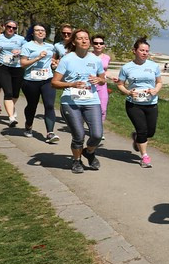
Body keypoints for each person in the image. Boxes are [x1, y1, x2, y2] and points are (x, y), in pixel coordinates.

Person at [51, 29, 106, 173]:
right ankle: (76, 161)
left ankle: (89, 152)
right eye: (80, 38)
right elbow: (54, 83)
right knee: (79, 135)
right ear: (74, 42)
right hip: (70, 101)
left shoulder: (95, 59)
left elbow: (102, 79)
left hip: (91, 100)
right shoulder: (67, 59)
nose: (84, 41)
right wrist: (71, 84)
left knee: (97, 135)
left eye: (86, 38)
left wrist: (98, 79)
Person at [115, 38, 163, 168]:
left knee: (150, 132)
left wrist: (155, 90)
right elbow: (120, 84)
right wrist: (128, 92)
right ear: (134, 51)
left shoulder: (153, 66)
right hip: (134, 104)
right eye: (142, 50)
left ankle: (137, 138)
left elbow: (159, 82)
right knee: (142, 130)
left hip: (151, 103)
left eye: (147, 51)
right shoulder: (126, 67)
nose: (145, 53)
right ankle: (144, 157)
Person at [19, 24, 60, 143]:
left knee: (49, 105)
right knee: (32, 106)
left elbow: (53, 60)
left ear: (46, 33)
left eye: (42, 30)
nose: (40, 32)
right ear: (33, 33)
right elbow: (22, 64)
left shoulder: (50, 46)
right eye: (37, 30)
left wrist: (54, 64)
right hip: (30, 80)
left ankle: (50, 133)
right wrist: (37, 58)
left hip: (47, 79)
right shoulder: (27, 46)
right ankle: (28, 125)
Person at [0, 20, 27, 127]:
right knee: (8, 92)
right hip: (3, 66)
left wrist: (19, 52)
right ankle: (11, 117)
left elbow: (27, 49)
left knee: (15, 93)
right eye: (9, 27)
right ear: (4, 27)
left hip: (17, 67)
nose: (11, 29)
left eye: (14, 28)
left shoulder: (20, 39)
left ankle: (11, 106)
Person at [91, 34, 111, 122]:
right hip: (90, 84)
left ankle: (100, 130)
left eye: (101, 43)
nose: (98, 45)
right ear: (92, 44)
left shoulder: (107, 57)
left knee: (103, 109)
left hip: (102, 85)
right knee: (89, 108)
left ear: (104, 45)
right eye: (96, 43)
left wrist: (111, 77)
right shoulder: (88, 56)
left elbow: (105, 70)